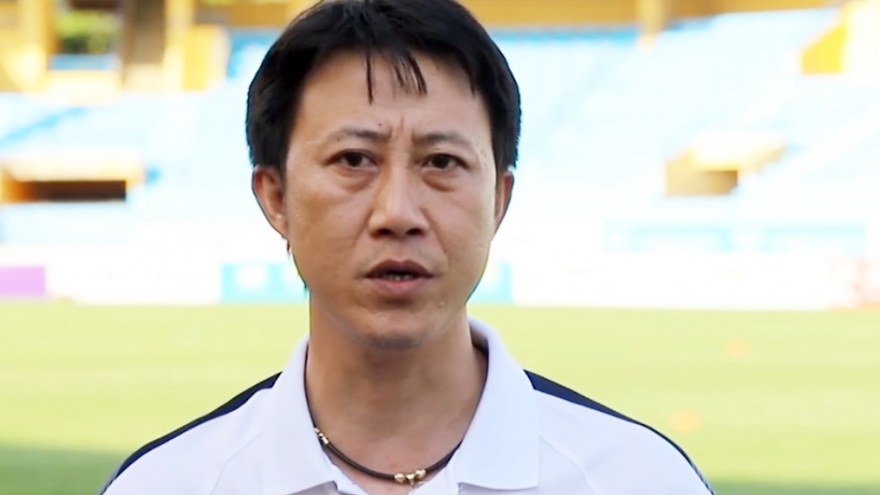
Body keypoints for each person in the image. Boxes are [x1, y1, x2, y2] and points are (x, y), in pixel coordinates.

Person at [101, 0, 715, 494]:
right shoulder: (168, 484)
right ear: (276, 197)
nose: (397, 213)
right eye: (353, 160)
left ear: (498, 200)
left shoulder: (640, 480)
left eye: (441, 162)